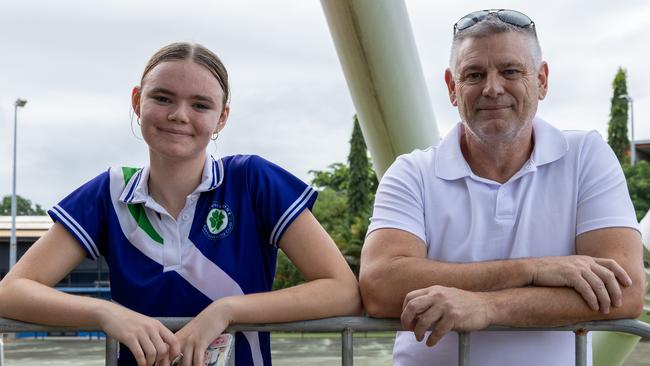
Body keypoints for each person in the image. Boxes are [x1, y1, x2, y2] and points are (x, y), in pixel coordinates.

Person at [0, 42, 361, 366]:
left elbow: (342, 290)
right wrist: (104, 312)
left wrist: (226, 311)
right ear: (137, 102)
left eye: (200, 105)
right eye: (163, 98)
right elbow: (12, 291)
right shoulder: (109, 192)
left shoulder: (252, 180)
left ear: (222, 118)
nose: (179, 115)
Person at [359, 9, 645, 366]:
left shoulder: (585, 156)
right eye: (474, 74)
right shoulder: (412, 172)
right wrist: (533, 270)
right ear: (452, 88)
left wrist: (486, 306)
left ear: (541, 80)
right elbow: (380, 286)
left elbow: (625, 291)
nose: (492, 88)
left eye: (510, 71)